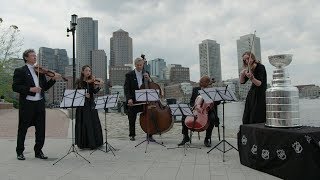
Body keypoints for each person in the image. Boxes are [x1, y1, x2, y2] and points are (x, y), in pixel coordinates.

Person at [12, 49, 59, 160]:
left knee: (41, 129)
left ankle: (38, 151)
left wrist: (53, 80)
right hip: (27, 104)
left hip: (39, 104)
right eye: (32, 56)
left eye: (35, 56)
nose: (35, 57)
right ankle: (20, 152)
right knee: (23, 128)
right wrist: (30, 89)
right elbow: (15, 87)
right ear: (26, 58)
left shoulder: (39, 71)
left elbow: (45, 88)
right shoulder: (20, 71)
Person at [178, 76, 220, 147]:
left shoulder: (212, 90)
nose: (199, 83)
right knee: (184, 116)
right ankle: (186, 137)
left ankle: (207, 138)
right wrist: (194, 106)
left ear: (207, 83)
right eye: (199, 81)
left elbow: (218, 102)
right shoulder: (195, 90)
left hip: (207, 111)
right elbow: (191, 101)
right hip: (196, 110)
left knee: (212, 118)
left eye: (201, 82)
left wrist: (212, 101)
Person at [124, 57, 154, 141]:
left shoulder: (146, 73)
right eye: (137, 65)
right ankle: (132, 134)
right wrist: (129, 98)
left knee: (149, 116)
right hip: (133, 99)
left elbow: (151, 85)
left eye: (141, 65)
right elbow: (126, 88)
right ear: (135, 65)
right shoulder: (129, 74)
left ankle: (149, 134)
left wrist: (149, 79)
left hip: (145, 99)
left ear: (143, 64)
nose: (139, 67)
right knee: (132, 117)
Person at [75, 65, 104, 149]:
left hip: (91, 104)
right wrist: (83, 94)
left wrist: (99, 86)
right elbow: (76, 92)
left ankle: (94, 143)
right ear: (82, 72)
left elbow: (94, 92)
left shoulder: (91, 81)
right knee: (84, 123)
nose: (88, 72)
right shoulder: (78, 81)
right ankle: (84, 144)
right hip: (82, 106)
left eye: (89, 71)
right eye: (87, 71)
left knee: (93, 122)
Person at [239, 51, 267, 124]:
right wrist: (242, 74)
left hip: (260, 94)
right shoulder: (249, 68)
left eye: (248, 58)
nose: (246, 61)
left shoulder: (260, 67)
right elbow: (242, 82)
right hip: (252, 94)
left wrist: (252, 78)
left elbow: (259, 83)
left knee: (256, 116)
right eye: (244, 60)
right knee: (247, 116)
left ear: (252, 57)